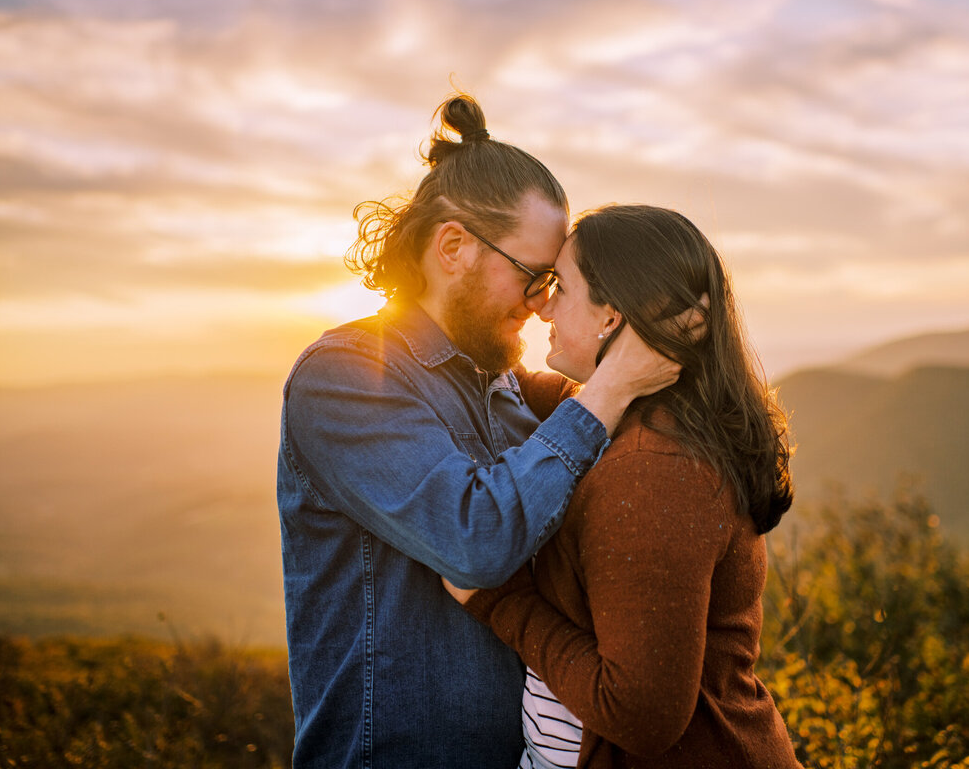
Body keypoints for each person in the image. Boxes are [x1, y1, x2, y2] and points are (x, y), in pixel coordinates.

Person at [276, 97, 680, 768]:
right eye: (531, 276)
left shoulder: (504, 383)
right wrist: (609, 390)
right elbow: (476, 540)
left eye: (554, 283)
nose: (542, 301)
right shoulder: (345, 377)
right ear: (454, 247)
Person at [445, 205, 805, 768]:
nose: (542, 306)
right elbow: (543, 394)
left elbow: (641, 716)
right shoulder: (630, 416)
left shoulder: (653, 470)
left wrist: (498, 600)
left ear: (610, 316)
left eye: (560, 287)